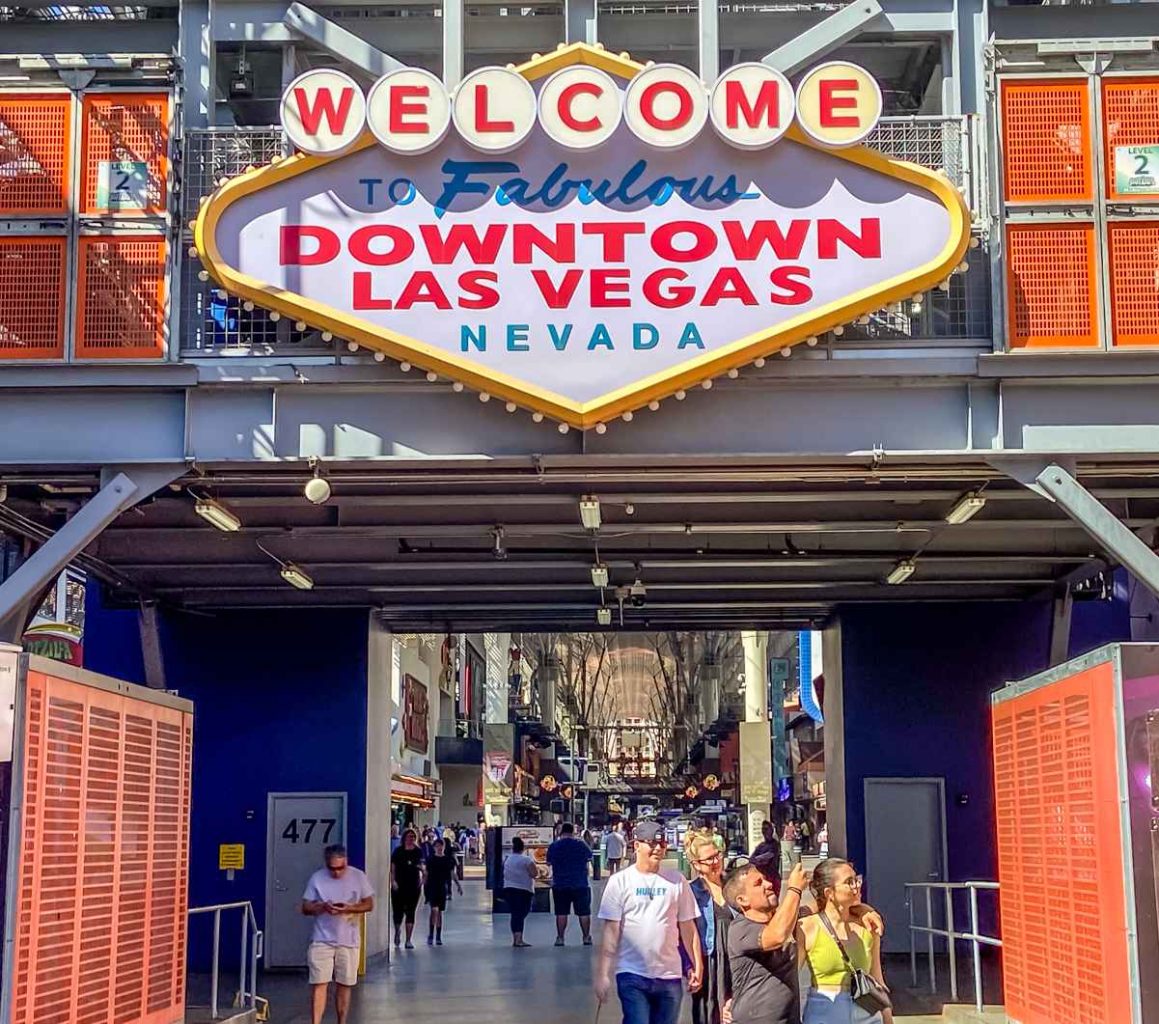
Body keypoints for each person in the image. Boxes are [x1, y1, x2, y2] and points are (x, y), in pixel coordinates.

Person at [594, 820, 704, 1024]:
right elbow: (611, 931)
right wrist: (603, 974)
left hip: (670, 975)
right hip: (631, 973)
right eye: (651, 843)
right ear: (636, 845)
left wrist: (697, 965)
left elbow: (688, 927)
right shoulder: (620, 881)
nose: (658, 848)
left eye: (661, 844)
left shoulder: (677, 880)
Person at [797, 859, 891, 1024]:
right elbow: (791, 974)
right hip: (825, 1009)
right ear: (829, 893)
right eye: (849, 882)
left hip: (866, 1010)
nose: (857, 886)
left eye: (857, 879)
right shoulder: (808, 927)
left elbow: (876, 977)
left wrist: (887, 1017)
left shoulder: (868, 925)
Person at [300, 844, 375, 1024]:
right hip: (322, 938)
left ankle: (342, 1021)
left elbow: (369, 904)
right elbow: (305, 907)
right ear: (326, 864)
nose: (336, 873)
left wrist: (350, 908)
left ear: (346, 862)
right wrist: (322, 907)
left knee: (345, 984)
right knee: (319, 983)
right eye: (332, 868)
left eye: (340, 868)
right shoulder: (317, 878)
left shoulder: (358, 877)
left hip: (348, 940)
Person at [685, 830, 733, 1024]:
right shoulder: (691, 892)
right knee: (709, 1009)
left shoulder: (734, 884)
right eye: (709, 859)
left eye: (717, 855)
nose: (716, 862)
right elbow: (686, 933)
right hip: (710, 959)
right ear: (696, 864)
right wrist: (692, 966)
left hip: (736, 957)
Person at [546, 821, 594, 946]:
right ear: (572, 831)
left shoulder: (554, 846)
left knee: (561, 912)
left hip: (560, 884)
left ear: (561, 831)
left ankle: (560, 938)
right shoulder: (581, 844)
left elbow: (549, 862)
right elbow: (589, 857)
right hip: (580, 883)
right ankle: (586, 937)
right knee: (584, 912)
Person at [390, 827, 426, 949]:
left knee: (410, 911)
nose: (411, 839)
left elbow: (421, 865)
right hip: (399, 884)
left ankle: (408, 939)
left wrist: (423, 877)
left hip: (413, 885)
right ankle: (397, 930)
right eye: (409, 836)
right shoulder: (398, 851)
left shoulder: (418, 851)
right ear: (404, 838)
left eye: (413, 837)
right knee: (398, 911)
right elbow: (393, 867)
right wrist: (393, 881)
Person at [424, 837, 462, 945]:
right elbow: (426, 873)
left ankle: (438, 935)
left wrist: (458, 885)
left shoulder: (447, 860)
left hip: (442, 887)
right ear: (434, 847)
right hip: (432, 887)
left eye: (441, 846)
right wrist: (423, 884)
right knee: (434, 910)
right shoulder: (430, 859)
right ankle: (431, 933)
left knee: (439, 912)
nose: (440, 848)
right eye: (437, 846)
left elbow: (452, 873)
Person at [502, 836, 539, 948]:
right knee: (521, 913)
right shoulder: (526, 860)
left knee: (515, 914)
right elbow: (534, 874)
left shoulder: (507, 859)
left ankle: (516, 938)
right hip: (523, 890)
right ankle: (519, 940)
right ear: (523, 848)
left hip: (509, 888)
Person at [751, 820, 781, 896]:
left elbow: (768, 857)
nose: (766, 832)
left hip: (773, 877)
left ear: (771, 831)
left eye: (767, 829)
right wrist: (757, 860)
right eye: (764, 830)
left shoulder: (775, 844)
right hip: (762, 877)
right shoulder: (761, 845)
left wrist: (757, 859)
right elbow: (751, 859)